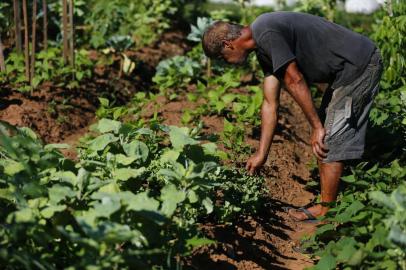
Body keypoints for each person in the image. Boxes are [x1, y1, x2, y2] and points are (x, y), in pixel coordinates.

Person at [201, 11, 383, 221]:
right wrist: (262, 154)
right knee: (326, 136)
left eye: (223, 57)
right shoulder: (262, 48)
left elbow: (294, 79)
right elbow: (270, 103)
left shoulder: (266, 32)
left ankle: (328, 217)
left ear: (228, 44)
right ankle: (326, 206)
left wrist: (316, 126)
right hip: (345, 70)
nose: (227, 63)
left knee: (330, 140)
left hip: (359, 65)